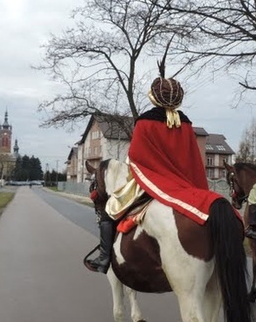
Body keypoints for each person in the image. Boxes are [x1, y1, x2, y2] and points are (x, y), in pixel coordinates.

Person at [85, 75, 223, 274]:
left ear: (154, 96)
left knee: (110, 210)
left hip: (152, 182)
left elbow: (136, 157)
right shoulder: (185, 124)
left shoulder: (145, 121)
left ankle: (104, 258)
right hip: (184, 183)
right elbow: (192, 159)